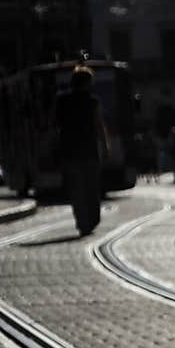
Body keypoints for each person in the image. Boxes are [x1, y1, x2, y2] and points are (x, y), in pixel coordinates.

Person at [54, 66, 108, 236]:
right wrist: (105, 146)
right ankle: (92, 219)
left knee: (76, 190)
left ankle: (82, 221)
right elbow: (99, 125)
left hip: (69, 151)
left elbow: (55, 125)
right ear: (86, 83)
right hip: (89, 150)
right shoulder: (93, 101)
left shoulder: (62, 101)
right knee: (92, 188)